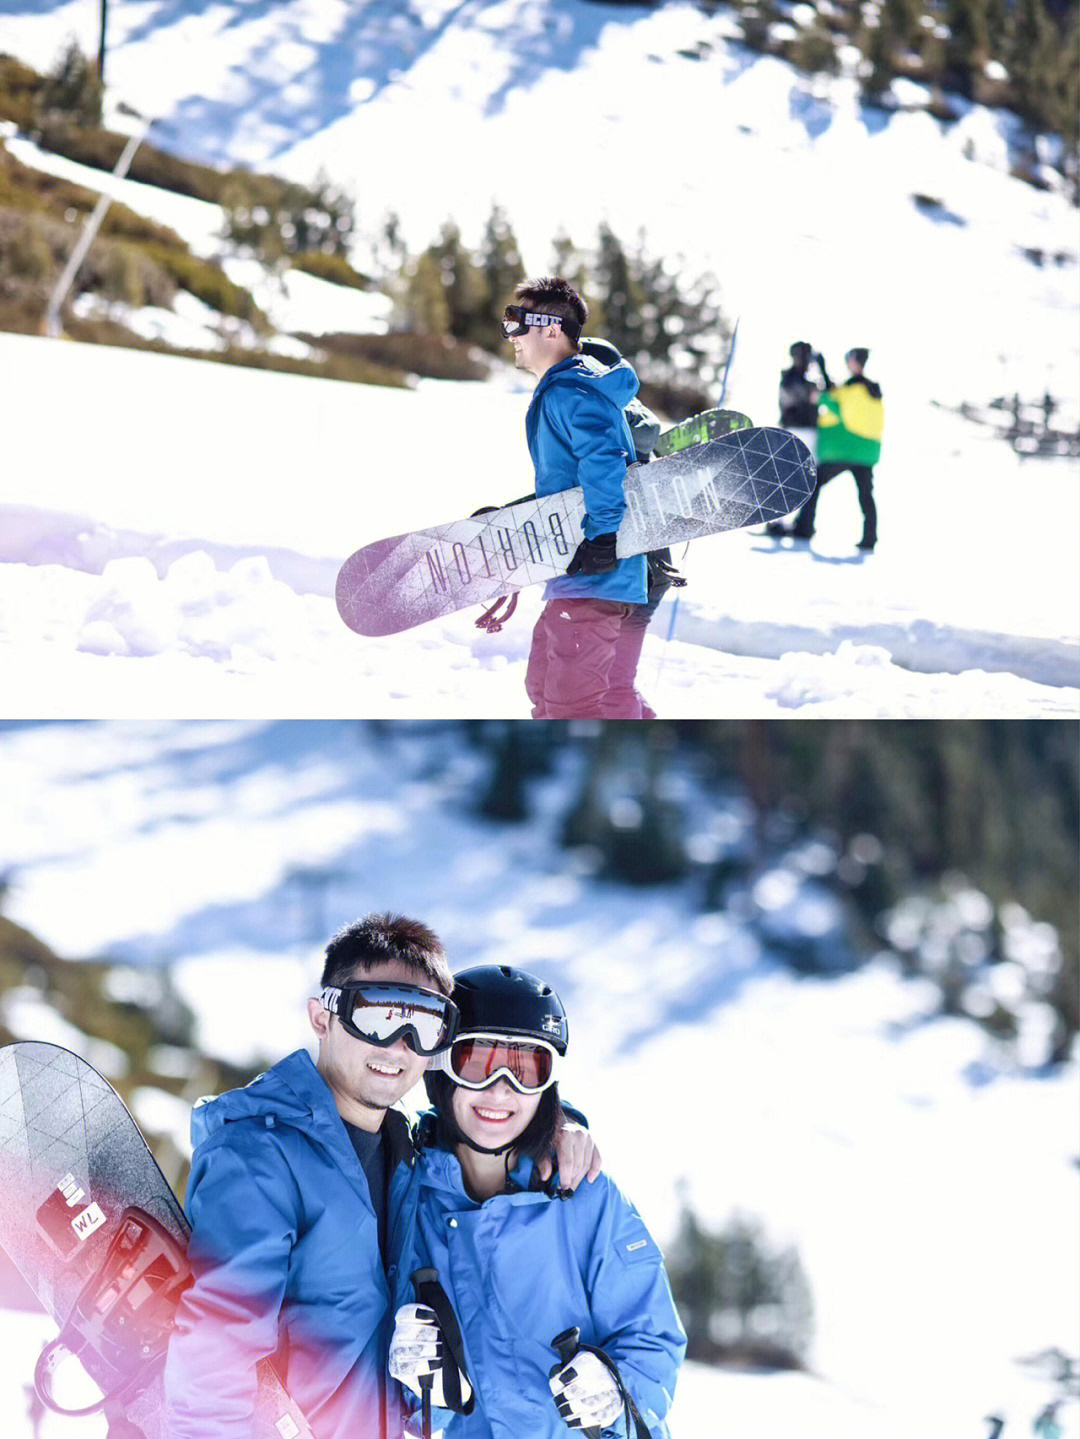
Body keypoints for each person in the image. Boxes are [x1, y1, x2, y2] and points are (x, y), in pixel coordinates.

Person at [163, 915, 601, 1439]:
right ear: (322, 1017)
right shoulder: (262, 1154)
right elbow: (215, 1352)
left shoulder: (411, 1154)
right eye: (378, 1016)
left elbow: (489, 1124)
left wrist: (555, 1123)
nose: (398, 1046)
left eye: (424, 1025)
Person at [389, 964, 687, 1438]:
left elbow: (652, 1337)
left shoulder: (583, 1196)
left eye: (527, 1069)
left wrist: (617, 1392)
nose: (501, 1088)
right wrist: (413, 1386)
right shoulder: (406, 1199)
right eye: (478, 1062)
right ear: (443, 1066)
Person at [503, 277, 650, 720]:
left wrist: (603, 536)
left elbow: (604, 461)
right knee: (552, 692)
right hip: (576, 578)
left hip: (594, 578)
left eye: (517, 323)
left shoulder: (572, 392)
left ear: (552, 329)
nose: (510, 335)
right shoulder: (566, 389)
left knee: (569, 707)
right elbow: (569, 484)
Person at [791, 347, 884, 553]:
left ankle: (804, 527)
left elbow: (839, 408)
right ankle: (870, 538)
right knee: (866, 495)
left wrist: (821, 399)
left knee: (814, 484)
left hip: (845, 448)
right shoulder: (874, 391)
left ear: (853, 361)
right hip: (867, 452)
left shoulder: (854, 389)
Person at [766, 341, 830, 538]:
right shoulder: (791, 377)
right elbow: (791, 398)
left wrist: (823, 370)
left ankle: (801, 524)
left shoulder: (811, 379)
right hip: (795, 430)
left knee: (804, 478)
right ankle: (779, 522)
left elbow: (827, 394)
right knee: (786, 476)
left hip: (806, 430)